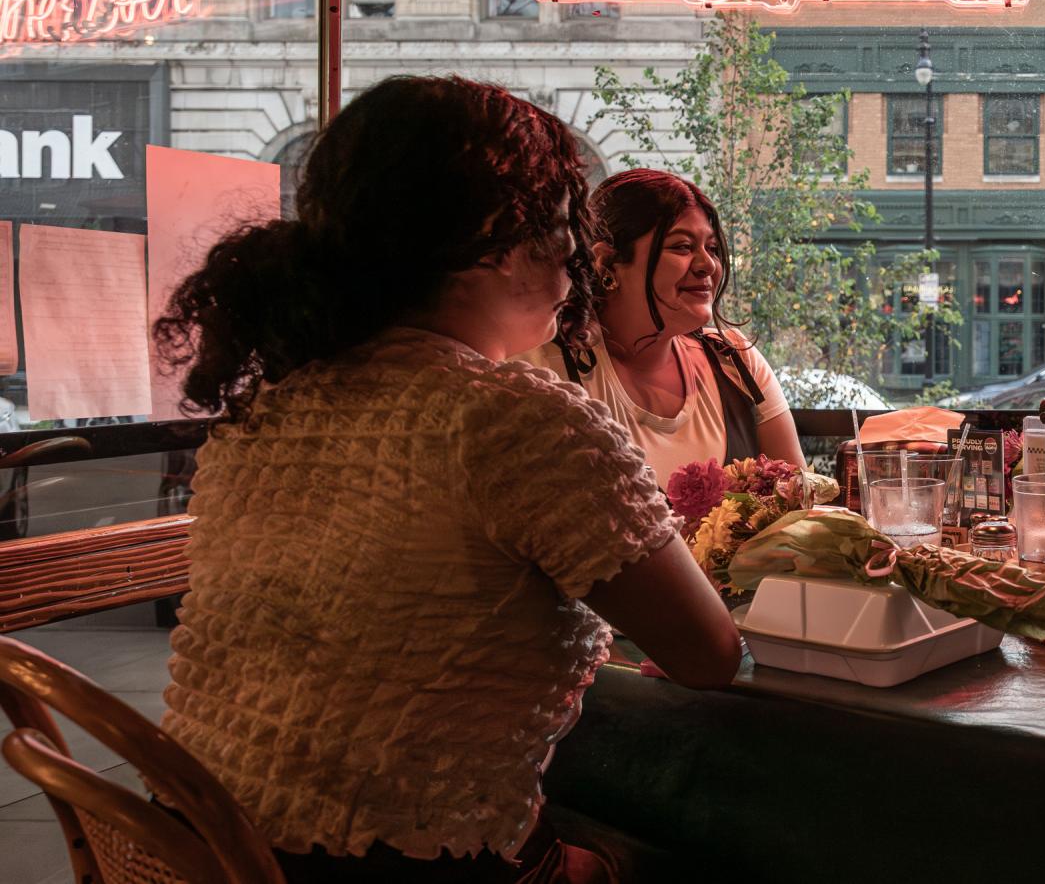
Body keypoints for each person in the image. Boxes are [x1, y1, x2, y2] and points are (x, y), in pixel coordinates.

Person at [153, 76, 743, 883]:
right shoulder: (514, 419)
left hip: (194, 845)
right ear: (500, 237)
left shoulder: (274, 406)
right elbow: (711, 653)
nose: (578, 249)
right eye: (567, 219)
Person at [522, 169, 804, 477]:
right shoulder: (546, 372)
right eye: (682, 246)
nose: (707, 264)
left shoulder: (736, 361)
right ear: (608, 263)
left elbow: (803, 505)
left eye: (711, 248)